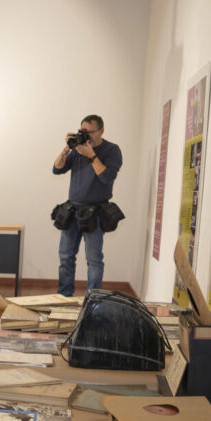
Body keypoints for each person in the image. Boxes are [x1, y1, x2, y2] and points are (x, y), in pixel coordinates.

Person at [52, 114, 123, 296]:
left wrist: (91, 156)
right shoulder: (77, 149)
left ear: (101, 131)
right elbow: (57, 169)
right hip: (72, 210)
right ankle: (64, 297)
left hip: (95, 213)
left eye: (90, 132)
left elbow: (106, 177)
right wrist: (67, 148)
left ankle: (92, 301)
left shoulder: (112, 150)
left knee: (94, 260)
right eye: (82, 131)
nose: (86, 136)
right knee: (65, 257)